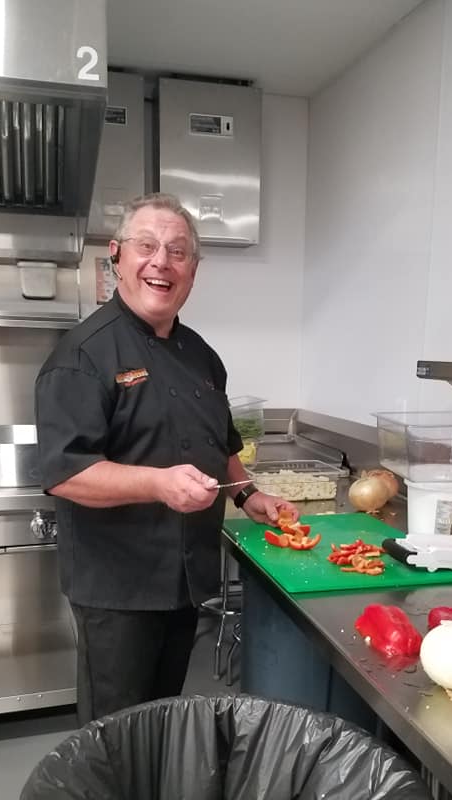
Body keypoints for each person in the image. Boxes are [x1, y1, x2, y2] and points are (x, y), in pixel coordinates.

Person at [35, 192, 297, 725]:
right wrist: (158, 484)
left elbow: (221, 444)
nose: (162, 262)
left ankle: (153, 782)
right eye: (147, 246)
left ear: (193, 271)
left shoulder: (201, 355)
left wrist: (248, 494)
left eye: (178, 252)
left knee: (160, 722)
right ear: (117, 257)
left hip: (185, 580)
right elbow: (67, 473)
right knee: (114, 731)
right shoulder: (82, 355)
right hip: (118, 588)